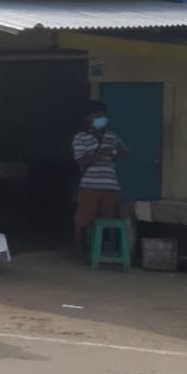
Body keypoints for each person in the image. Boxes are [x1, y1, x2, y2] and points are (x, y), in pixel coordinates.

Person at [72, 100, 127, 258]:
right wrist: (103, 153)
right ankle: (82, 252)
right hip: (89, 186)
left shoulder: (112, 136)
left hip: (111, 187)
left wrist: (118, 150)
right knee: (83, 220)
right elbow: (81, 160)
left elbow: (126, 154)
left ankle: (100, 252)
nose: (101, 119)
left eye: (104, 116)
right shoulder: (80, 137)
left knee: (107, 220)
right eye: (97, 116)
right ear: (89, 118)